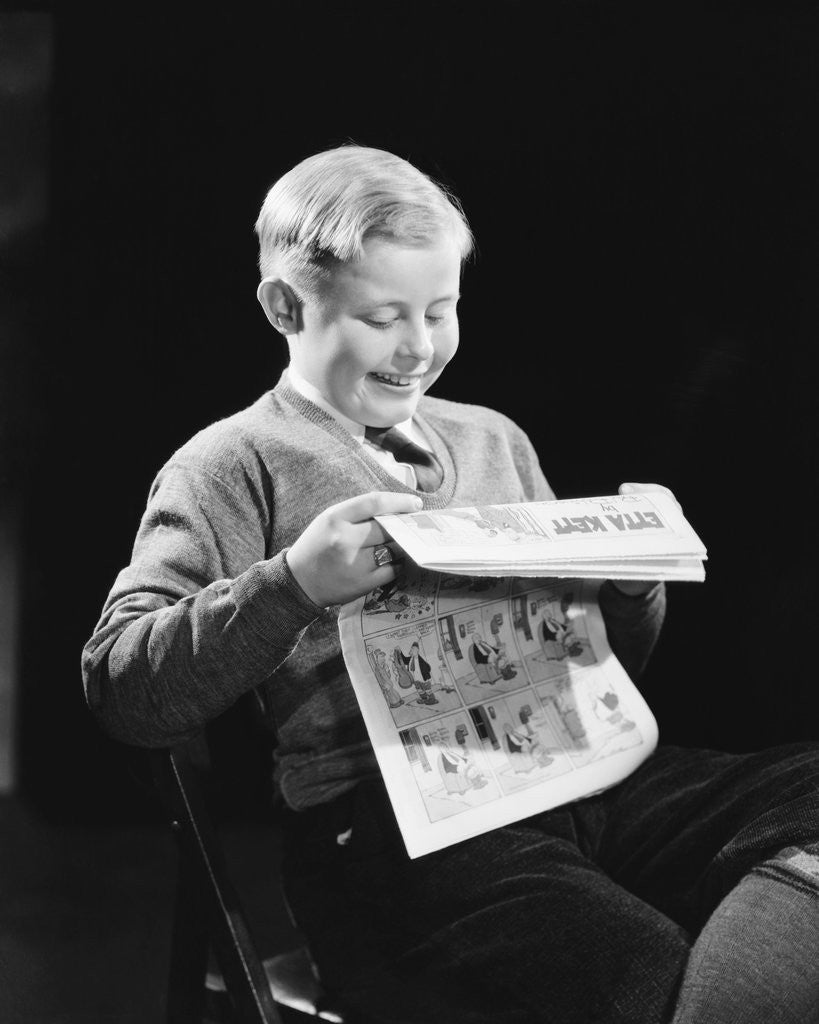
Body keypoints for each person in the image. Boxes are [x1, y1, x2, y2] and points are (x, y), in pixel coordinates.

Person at [82, 145, 819, 1024]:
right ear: (285, 307)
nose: (420, 346)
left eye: (441, 309)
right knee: (645, 973)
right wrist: (293, 586)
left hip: (574, 778)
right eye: (382, 316)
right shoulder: (231, 465)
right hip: (398, 829)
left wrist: (626, 592)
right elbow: (123, 690)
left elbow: (599, 671)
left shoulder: (491, 440)